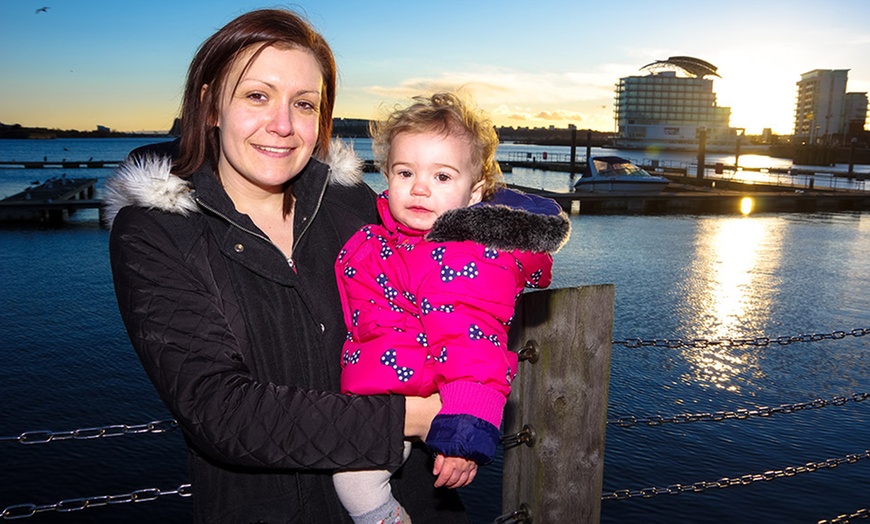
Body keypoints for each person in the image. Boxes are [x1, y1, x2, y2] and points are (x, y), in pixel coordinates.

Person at [103, 9, 468, 524]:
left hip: (416, 501)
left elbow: (443, 289)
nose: (283, 125)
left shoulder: (352, 203)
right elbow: (221, 411)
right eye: (257, 96)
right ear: (209, 105)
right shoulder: (157, 231)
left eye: (303, 104)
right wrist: (418, 415)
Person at [331, 93, 571, 524]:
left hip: (418, 397)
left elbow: (474, 345)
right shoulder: (385, 237)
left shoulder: (464, 259)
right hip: (381, 397)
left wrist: (463, 435)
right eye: (406, 172)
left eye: (442, 177)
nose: (420, 188)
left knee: (355, 484)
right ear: (387, 175)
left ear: (474, 191)